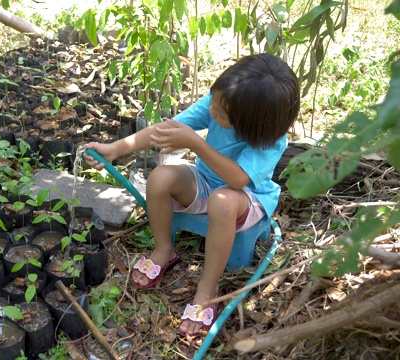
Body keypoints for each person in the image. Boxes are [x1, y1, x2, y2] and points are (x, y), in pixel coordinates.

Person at [83, 53, 300, 337]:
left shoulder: (269, 142)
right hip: (207, 181)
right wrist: (116, 148)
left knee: (222, 202)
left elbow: (236, 179)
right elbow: (165, 130)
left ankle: (208, 286)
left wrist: (195, 142)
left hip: (246, 197)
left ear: (248, 125)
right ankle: (164, 249)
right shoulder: (220, 103)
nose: (212, 111)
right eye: (214, 101)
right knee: (161, 177)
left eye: (220, 114)